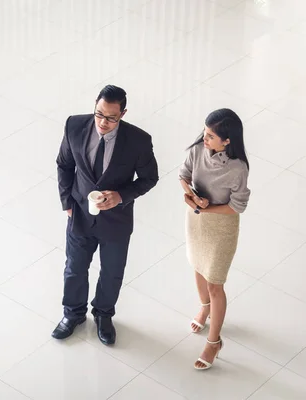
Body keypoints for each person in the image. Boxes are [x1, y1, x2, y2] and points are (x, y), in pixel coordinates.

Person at [53, 85, 159, 345]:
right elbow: (64, 164)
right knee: (74, 268)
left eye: (111, 117)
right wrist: (67, 201)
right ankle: (73, 313)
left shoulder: (138, 141)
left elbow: (149, 178)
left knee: (112, 272)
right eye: (99, 114)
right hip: (80, 213)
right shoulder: (74, 126)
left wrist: (121, 196)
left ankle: (103, 315)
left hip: (116, 220)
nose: (103, 122)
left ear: (123, 114)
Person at [179, 108, 251, 370]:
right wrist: (190, 196)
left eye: (210, 135)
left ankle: (214, 341)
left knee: (215, 282)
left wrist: (207, 208)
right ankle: (205, 307)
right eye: (205, 132)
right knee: (198, 266)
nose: (204, 138)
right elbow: (183, 175)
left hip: (221, 227)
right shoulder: (198, 149)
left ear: (227, 140)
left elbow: (237, 206)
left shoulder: (237, 168)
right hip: (197, 219)